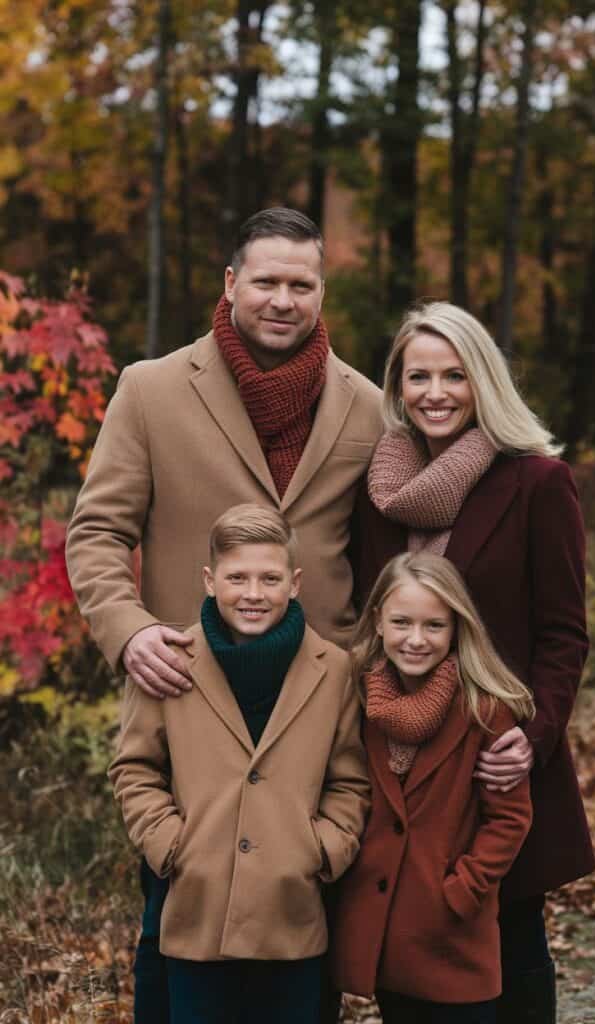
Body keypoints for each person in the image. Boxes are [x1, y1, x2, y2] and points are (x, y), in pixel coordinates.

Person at [65, 207, 382, 1022]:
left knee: (306, 944)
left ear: (321, 292)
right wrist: (129, 630)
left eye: (301, 284)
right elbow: (97, 532)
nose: (283, 299)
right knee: (168, 933)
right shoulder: (152, 387)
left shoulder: (367, 407)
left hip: (314, 707)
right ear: (232, 283)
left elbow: (388, 555)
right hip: (184, 698)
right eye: (267, 281)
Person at [353, 301, 595, 1023]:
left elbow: (562, 634)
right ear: (396, 387)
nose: (435, 392)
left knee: (512, 948)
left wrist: (537, 734)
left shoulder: (536, 484)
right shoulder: (377, 496)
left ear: (481, 380)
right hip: (403, 770)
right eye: (417, 375)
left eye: (453, 375)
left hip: (494, 760)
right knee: (406, 955)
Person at [109, 504, 369, 1024]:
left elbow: (351, 781)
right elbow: (134, 769)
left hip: (291, 915)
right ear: (210, 580)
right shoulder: (169, 659)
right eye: (237, 578)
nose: (253, 593)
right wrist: (172, 846)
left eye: (270, 578)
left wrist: (321, 850)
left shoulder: (334, 670)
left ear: (294, 584)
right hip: (194, 913)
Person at [332, 551, 533, 1023]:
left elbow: (510, 818)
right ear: (378, 622)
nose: (416, 640)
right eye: (402, 622)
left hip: (452, 930)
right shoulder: (356, 699)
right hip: (382, 928)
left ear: (457, 628)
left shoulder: (485, 709)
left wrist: (464, 889)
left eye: (434, 626)